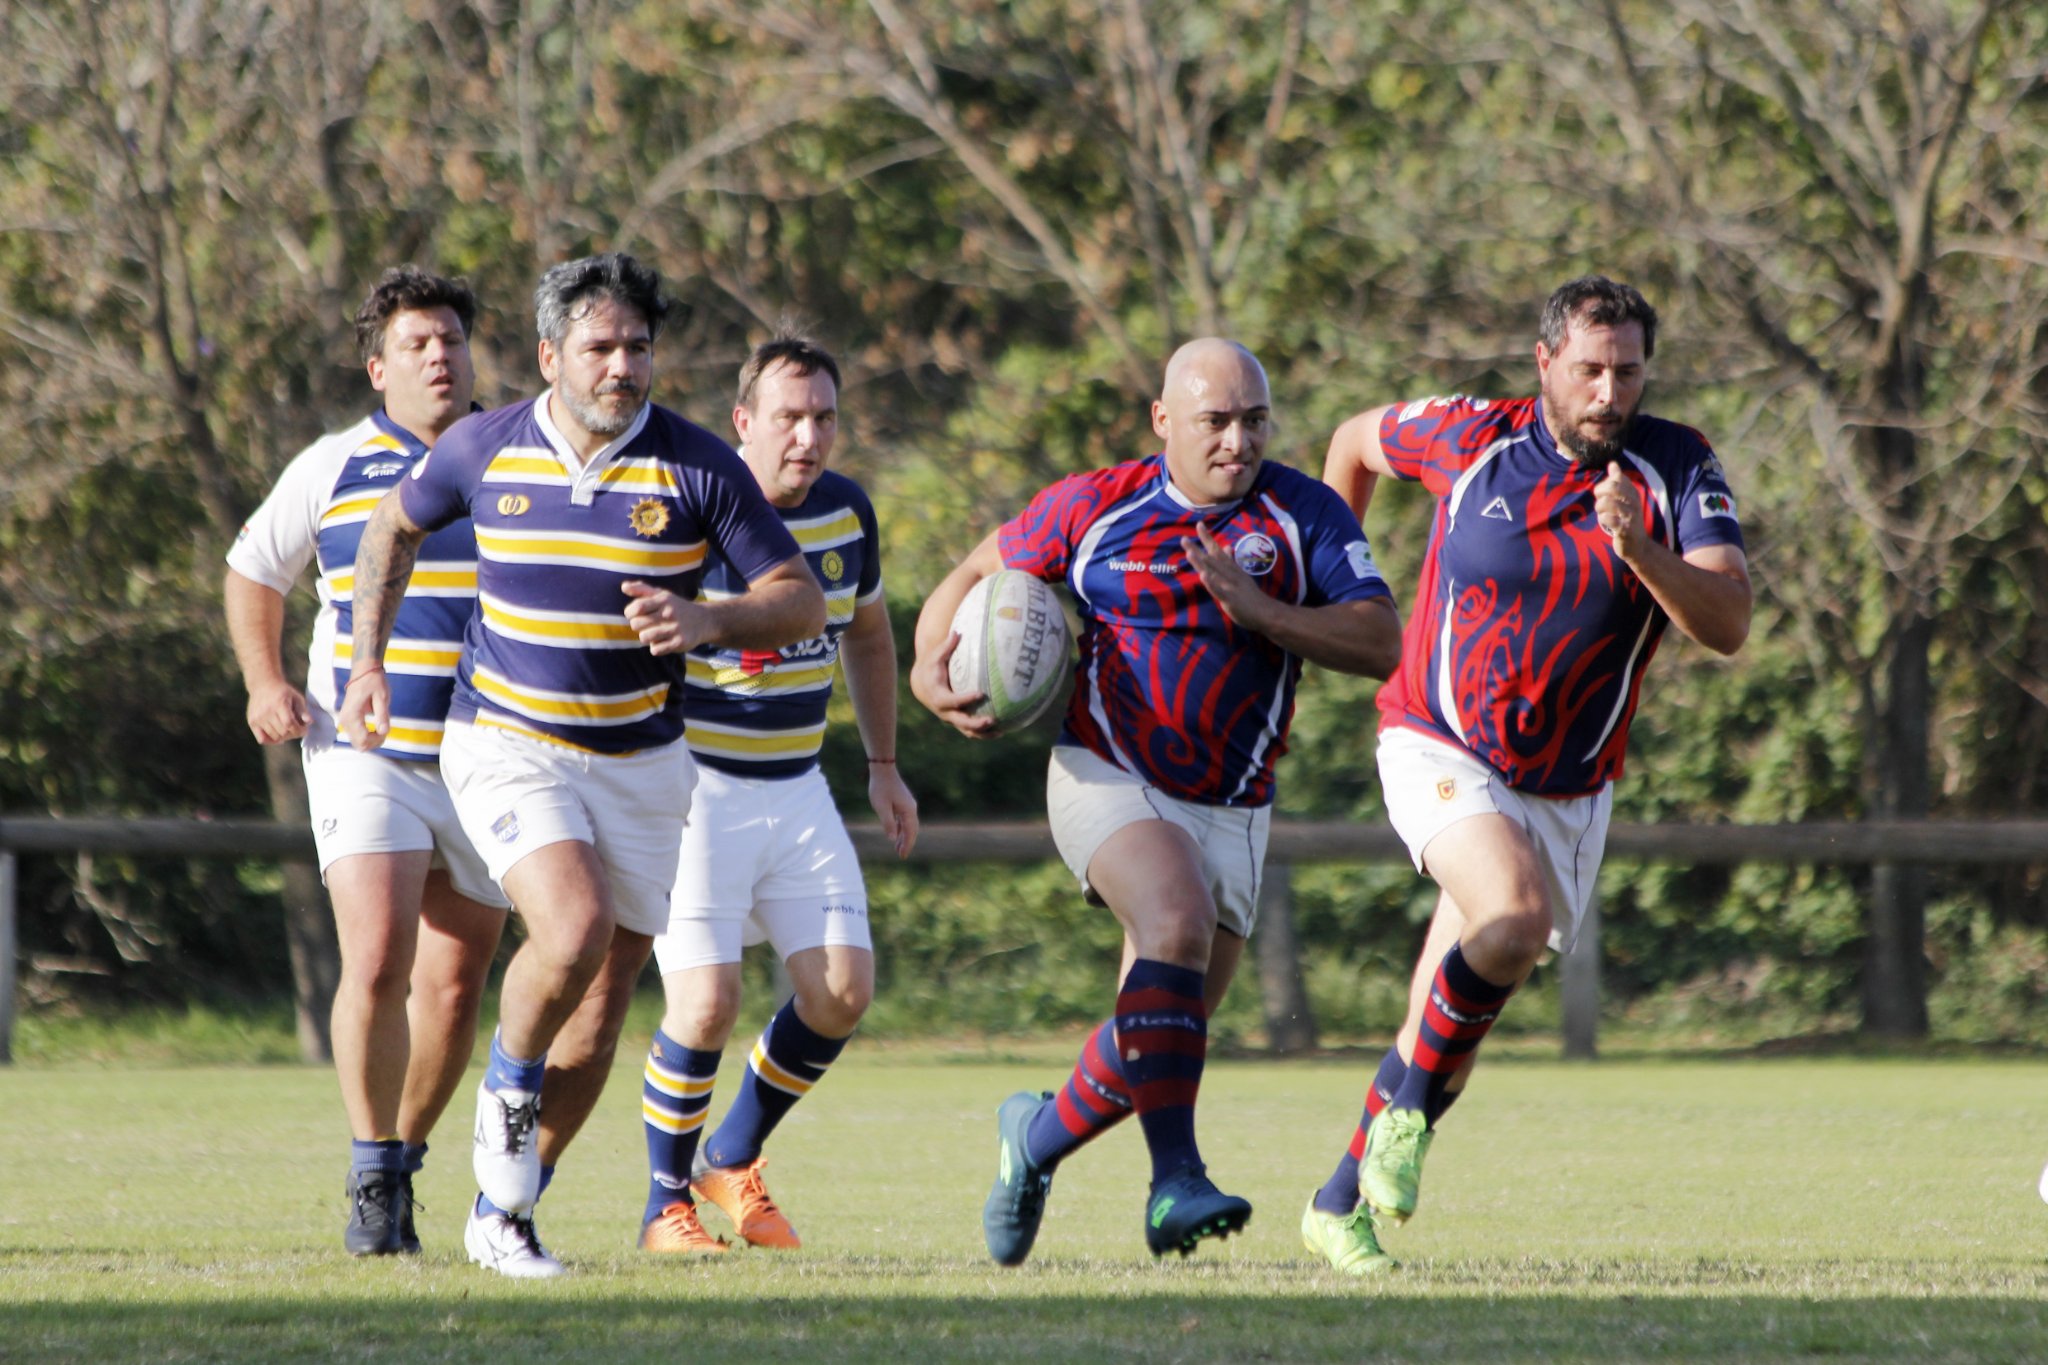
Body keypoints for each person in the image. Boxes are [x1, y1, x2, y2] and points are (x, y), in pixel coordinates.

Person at [336, 252, 826, 1278]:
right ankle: (505, 1094)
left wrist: (708, 616)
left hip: (645, 762)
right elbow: (394, 526)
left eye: (637, 348)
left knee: (602, 1010)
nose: (621, 367)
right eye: (599, 348)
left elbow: (800, 600)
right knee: (570, 922)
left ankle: (502, 1211)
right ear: (552, 354)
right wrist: (366, 663)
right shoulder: (483, 446)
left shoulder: (697, 465)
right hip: (507, 740)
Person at [912, 338, 1402, 1264]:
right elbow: (975, 573)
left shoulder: (1306, 515)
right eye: (1215, 421)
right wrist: (926, 666)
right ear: (1164, 423)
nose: (1237, 440)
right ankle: (1175, 1181)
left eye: (1254, 420)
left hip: (1235, 803)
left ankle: (1034, 1141)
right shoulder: (1096, 505)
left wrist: (1265, 613)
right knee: (1171, 920)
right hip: (1106, 773)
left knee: (1159, 1034)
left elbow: (1382, 640)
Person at [1304, 275, 1753, 1275]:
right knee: (1505, 919)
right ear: (1543, 361)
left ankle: (1338, 1201)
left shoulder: (1676, 466)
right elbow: (1349, 440)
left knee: (1445, 1020)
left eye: (1626, 372)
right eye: (1587, 370)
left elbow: (1725, 623)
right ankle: (1401, 1123)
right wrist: (1339, 588)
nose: (1607, 393)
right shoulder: (1470, 437)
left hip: (1564, 786)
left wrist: (1638, 547)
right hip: (1435, 737)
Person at [225, 266, 507, 1258]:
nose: (440, 356)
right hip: (365, 752)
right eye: (418, 344)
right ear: (377, 366)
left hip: (492, 758)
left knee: (455, 989)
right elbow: (253, 570)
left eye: (452, 341)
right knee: (379, 957)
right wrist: (266, 683)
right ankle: (370, 1165)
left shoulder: (519, 458)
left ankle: (401, 1158)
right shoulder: (333, 465)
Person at [635, 335, 919, 1255]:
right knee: (706, 1004)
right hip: (696, 790)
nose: (808, 436)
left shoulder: (846, 511)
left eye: (824, 416)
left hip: (798, 787)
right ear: (743, 422)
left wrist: (882, 766)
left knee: (841, 991)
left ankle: (731, 1156)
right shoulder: (691, 513)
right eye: (788, 417)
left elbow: (869, 634)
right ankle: (662, 1206)